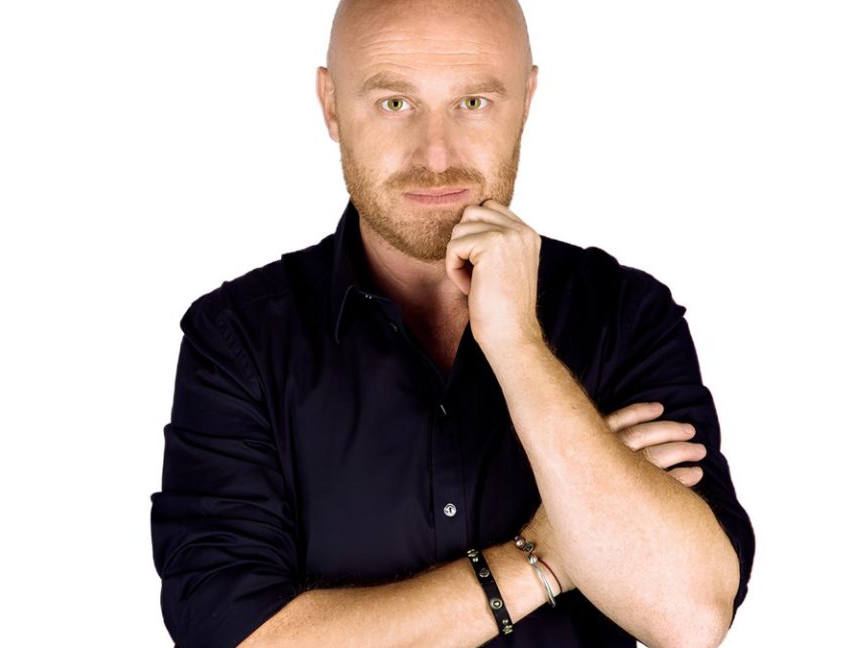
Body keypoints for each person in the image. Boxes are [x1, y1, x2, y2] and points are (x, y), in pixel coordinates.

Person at [150, 0, 754, 645]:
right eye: (395, 103)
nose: (436, 156)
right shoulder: (238, 340)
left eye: (473, 102)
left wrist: (518, 344)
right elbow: (240, 638)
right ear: (331, 106)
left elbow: (689, 616)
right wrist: (545, 557)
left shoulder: (625, 316)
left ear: (526, 101)